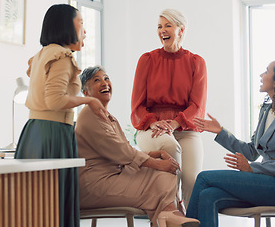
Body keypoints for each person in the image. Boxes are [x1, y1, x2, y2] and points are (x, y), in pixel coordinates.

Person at [186, 58, 275, 227]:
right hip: (263, 183)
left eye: (267, 71)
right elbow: (252, 151)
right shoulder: (266, 110)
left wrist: (252, 168)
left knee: (204, 178)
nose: (262, 75)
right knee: (208, 195)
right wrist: (220, 132)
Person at [14, 4, 108, 227]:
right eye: (81, 23)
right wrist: (89, 100)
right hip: (53, 133)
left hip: (35, 131)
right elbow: (55, 101)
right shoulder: (62, 57)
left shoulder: (42, 55)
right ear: (67, 26)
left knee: (36, 203)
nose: (85, 31)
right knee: (52, 202)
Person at [75, 66, 200, 227]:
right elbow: (121, 152)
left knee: (165, 173)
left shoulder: (107, 116)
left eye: (106, 78)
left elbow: (124, 148)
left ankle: (168, 215)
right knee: (159, 173)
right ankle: (168, 216)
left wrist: (155, 154)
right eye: (97, 80)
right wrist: (156, 162)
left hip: (114, 175)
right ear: (85, 93)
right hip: (96, 185)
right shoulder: (89, 115)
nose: (104, 83)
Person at [131, 9, 207, 208]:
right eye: (159, 26)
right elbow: (137, 105)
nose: (162, 30)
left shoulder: (196, 62)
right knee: (170, 146)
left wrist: (174, 124)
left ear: (181, 30)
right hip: (152, 128)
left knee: (192, 179)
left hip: (185, 128)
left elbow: (197, 105)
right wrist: (156, 123)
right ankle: (174, 209)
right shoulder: (146, 60)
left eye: (167, 26)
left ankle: (191, 220)